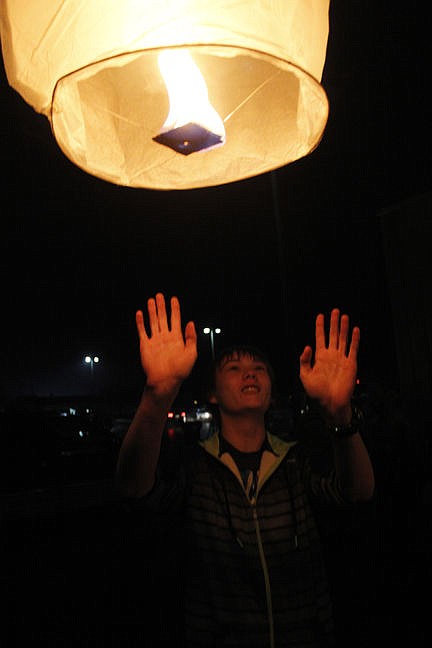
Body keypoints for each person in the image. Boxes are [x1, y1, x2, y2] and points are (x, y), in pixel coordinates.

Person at [116, 293, 375, 648]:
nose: (249, 373)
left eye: (259, 369)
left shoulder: (297, 462)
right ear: (212, 394)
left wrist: (340, 415)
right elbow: (133, 488)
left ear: (270, 393)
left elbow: (358, 492)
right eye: (234, 369)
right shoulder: (194, 468)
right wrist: (157, 395)